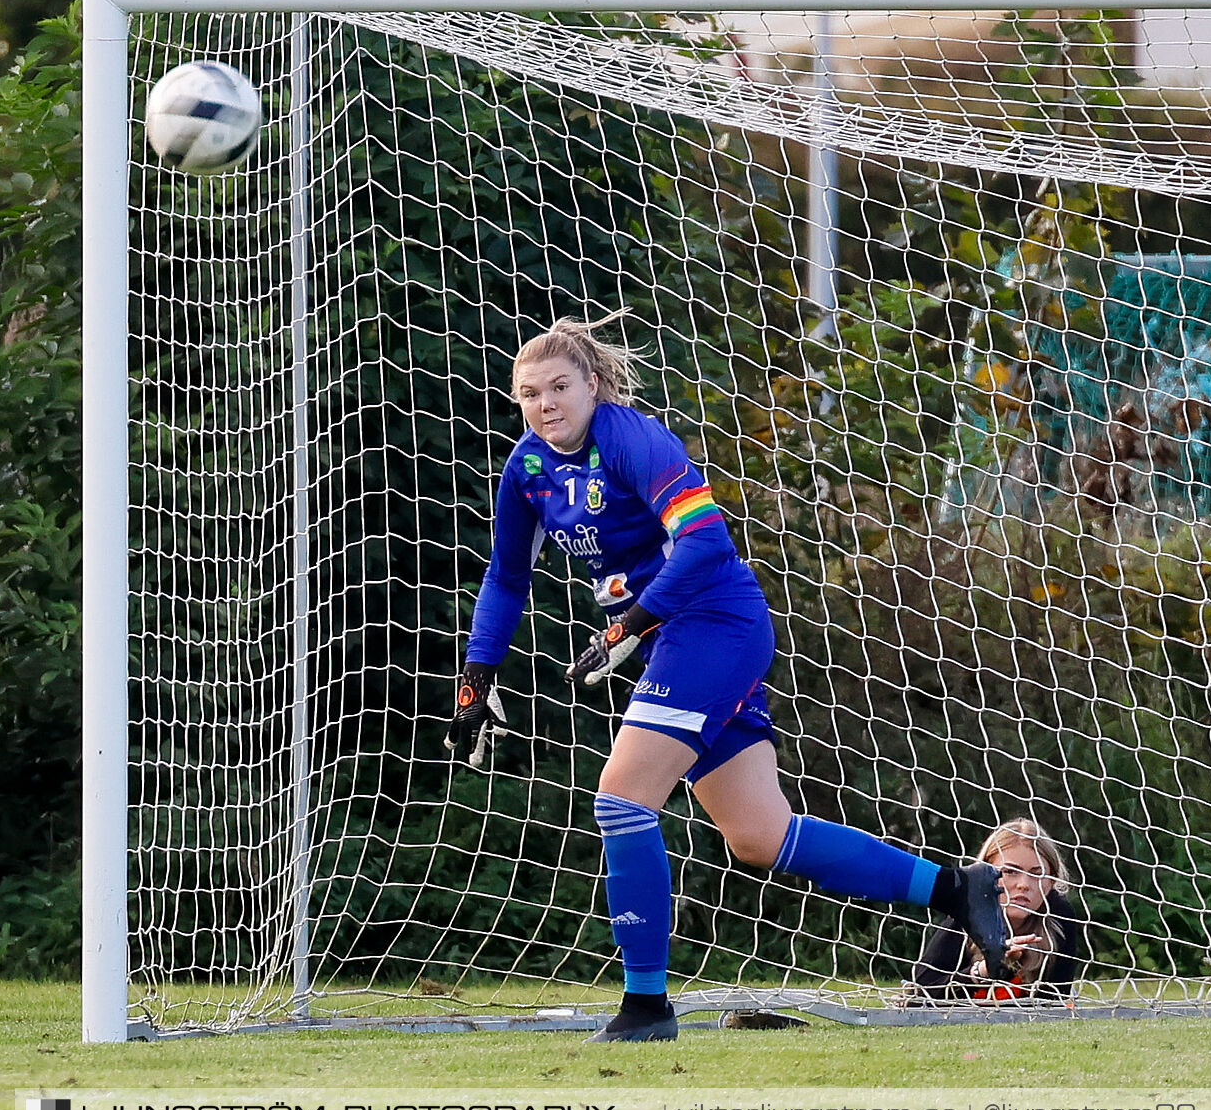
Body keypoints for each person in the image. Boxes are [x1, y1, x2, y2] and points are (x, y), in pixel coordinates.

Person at [446, 312, 1012, 1042]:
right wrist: (476, 676)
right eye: (530, 393)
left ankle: (646, 1006)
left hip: (714, 623)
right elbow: (505, 575)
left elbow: (707, 540)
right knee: (759, 835)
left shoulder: (630, 437)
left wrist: (629, 624)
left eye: (559, 386)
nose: (545, 403)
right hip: (671, 640)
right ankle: (956, 888)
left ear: (592, 384)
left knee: (621, 799)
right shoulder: (526, 466)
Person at [905, 818, 1084, 1003]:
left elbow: (1054, 1002)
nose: (1024, 885)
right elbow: (921, 991)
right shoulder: (967, 910)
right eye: (1010, 872)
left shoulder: (1058, 915)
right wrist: (986, 969)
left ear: (1051, 882)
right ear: (984, 873)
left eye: (1037, 874)